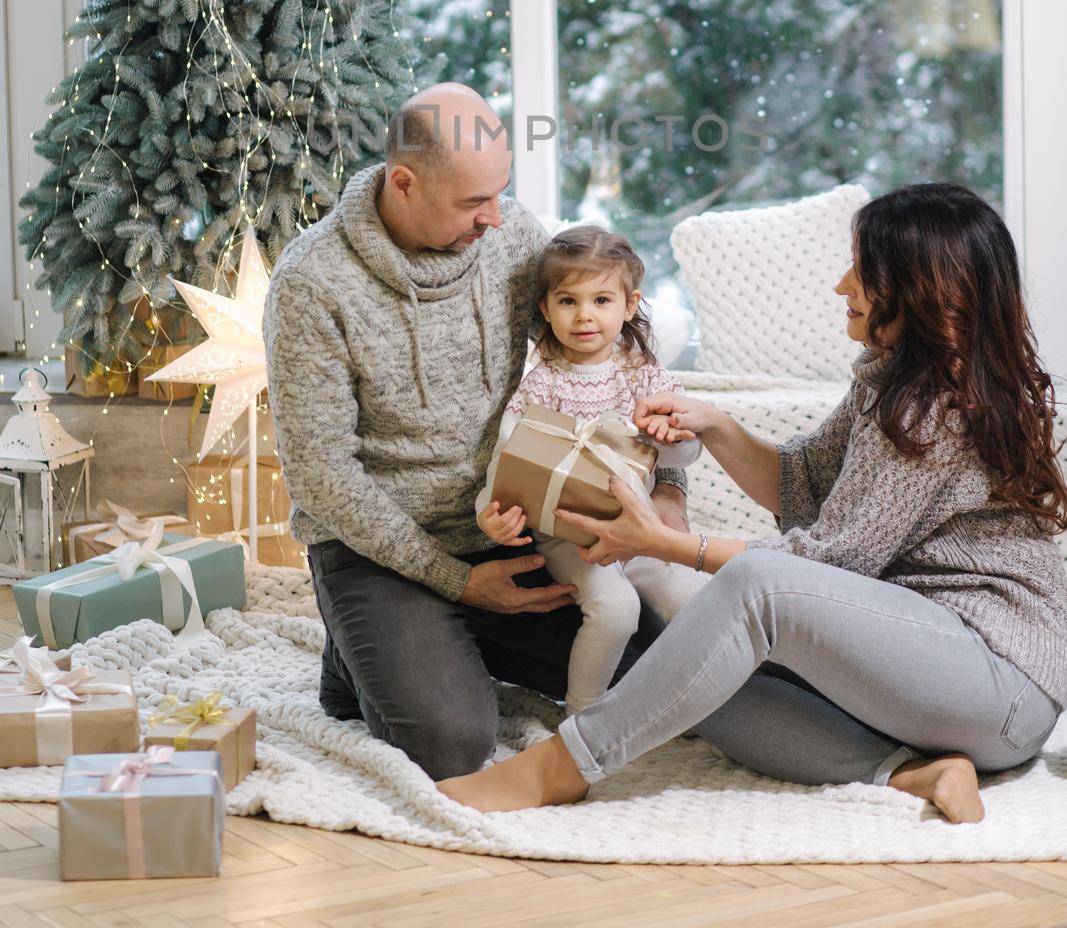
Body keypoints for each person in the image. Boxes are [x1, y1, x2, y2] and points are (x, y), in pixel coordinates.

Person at [438, 182, 1067, 824]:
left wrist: (662, 542)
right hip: (917, 668)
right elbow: (800, 483)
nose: (841, 286)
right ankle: (912, 771)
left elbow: (830, 561)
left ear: (919, 291)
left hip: (998, 682)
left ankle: (562, 767)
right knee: (691, 667)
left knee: (754, 587)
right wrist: (714, 425)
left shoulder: (934, 408)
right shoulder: (891, 378)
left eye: (862, 270)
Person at [263, 82, 691, 778]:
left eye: (501, 193)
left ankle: (430, 649)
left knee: (650, 668)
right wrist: (454, 581)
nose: (496, 217)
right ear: (403, 183)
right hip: (383, 549)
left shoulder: (511, 237)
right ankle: (367, 651)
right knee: (451, 746)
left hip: (516, 529)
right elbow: (321, 474)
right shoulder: (313, 284)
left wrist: (666, 479)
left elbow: (610, 349)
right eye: (472, 202)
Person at [475, 224, 707, 715]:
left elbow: (681, 459)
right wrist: (486, 514)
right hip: (571, 535)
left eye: (601, 301)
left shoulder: (646, 376)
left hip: (639, 526)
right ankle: (582, 717)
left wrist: (676, 439)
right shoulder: (541, 385)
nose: (585, 316)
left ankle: (690, 705)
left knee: (690, 595)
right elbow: (506, 459)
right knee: (616, 610)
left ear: (629, 305)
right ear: (546, 308)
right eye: (568, 301)